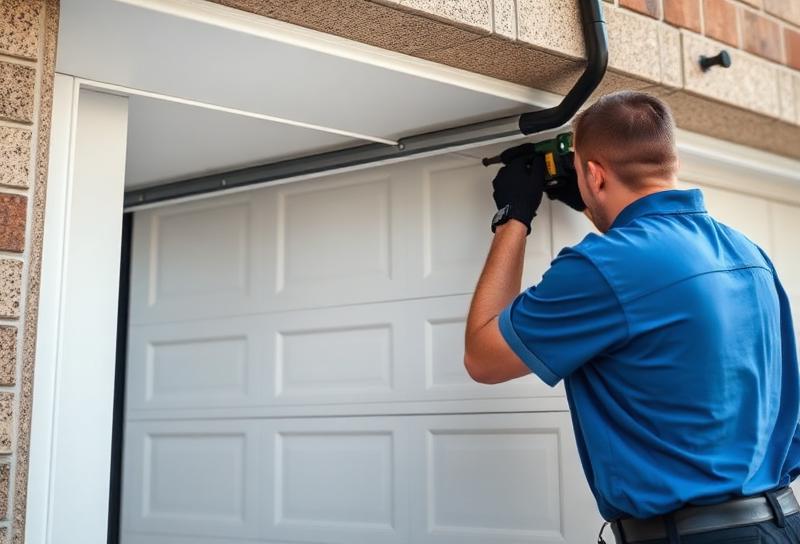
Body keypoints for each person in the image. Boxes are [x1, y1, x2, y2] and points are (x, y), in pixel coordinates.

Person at [463, 90, 800, 544]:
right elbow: (647, 282)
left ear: (595, 174)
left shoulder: (603, 266)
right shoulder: (747, 252)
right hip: (779, 522)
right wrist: (594, 206)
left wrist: (513, 217)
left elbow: (483, 358)